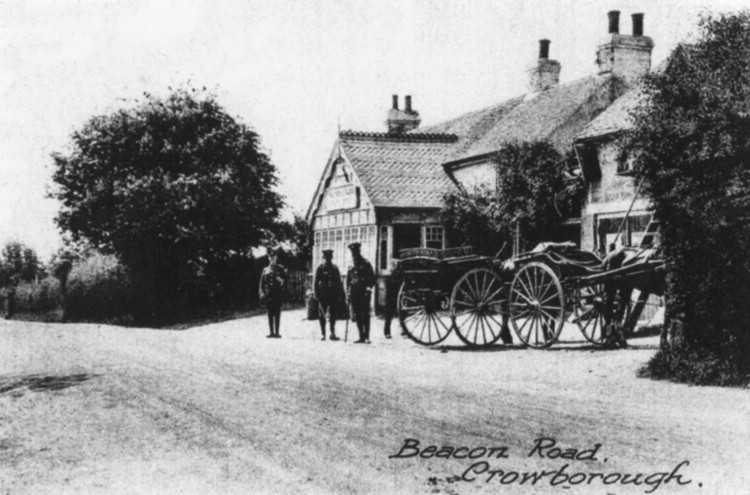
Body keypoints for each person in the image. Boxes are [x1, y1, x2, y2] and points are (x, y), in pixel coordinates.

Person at [346, 242, 375, 344]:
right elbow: (348, 281)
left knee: (365, 314)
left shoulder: (366, 264)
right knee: (357, 315)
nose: (354, 255)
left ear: (359, 251)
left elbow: (372, 278)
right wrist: (348, 293)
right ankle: (361, 336)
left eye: (356, 252)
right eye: (353, 253)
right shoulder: (350, 265)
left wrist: (368, 289)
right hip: (354, 293)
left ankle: (367, 336)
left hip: (364, 293)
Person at [314, 249, 344, 341]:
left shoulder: (335, 268)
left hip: (333, 295)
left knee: (333, 315)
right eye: (326, 258)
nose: (328, 260)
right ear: (324, 258)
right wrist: (316, 294)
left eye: (329, 258)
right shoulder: (320, 268)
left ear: (331, 258)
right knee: (322, 314)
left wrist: (340, 294)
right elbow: (315, 282)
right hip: (323, 295)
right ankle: (323, 334)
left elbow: (339, 283)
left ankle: (332, 333)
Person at [259, 247, 288, 338]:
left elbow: (286, 281)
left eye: (274, 256)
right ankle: (271, 332)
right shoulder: (265, 269)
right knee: (270, 314)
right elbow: (261, 283)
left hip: (277, 294)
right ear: (268, 258)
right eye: (270, 257)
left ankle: (277, 332)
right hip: (268, 295)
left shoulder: (281, 268)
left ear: (276, 257)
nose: (272, 258)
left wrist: (281, 281)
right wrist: (261, 293)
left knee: (277, 313)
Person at [383, 259, 402, 339]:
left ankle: (402, 329)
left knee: (401, 314)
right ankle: (387, 332)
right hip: (391, 297)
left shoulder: (398, 275)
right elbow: (388, 287)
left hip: (397, 296)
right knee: (389, 315)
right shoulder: (390, 276)